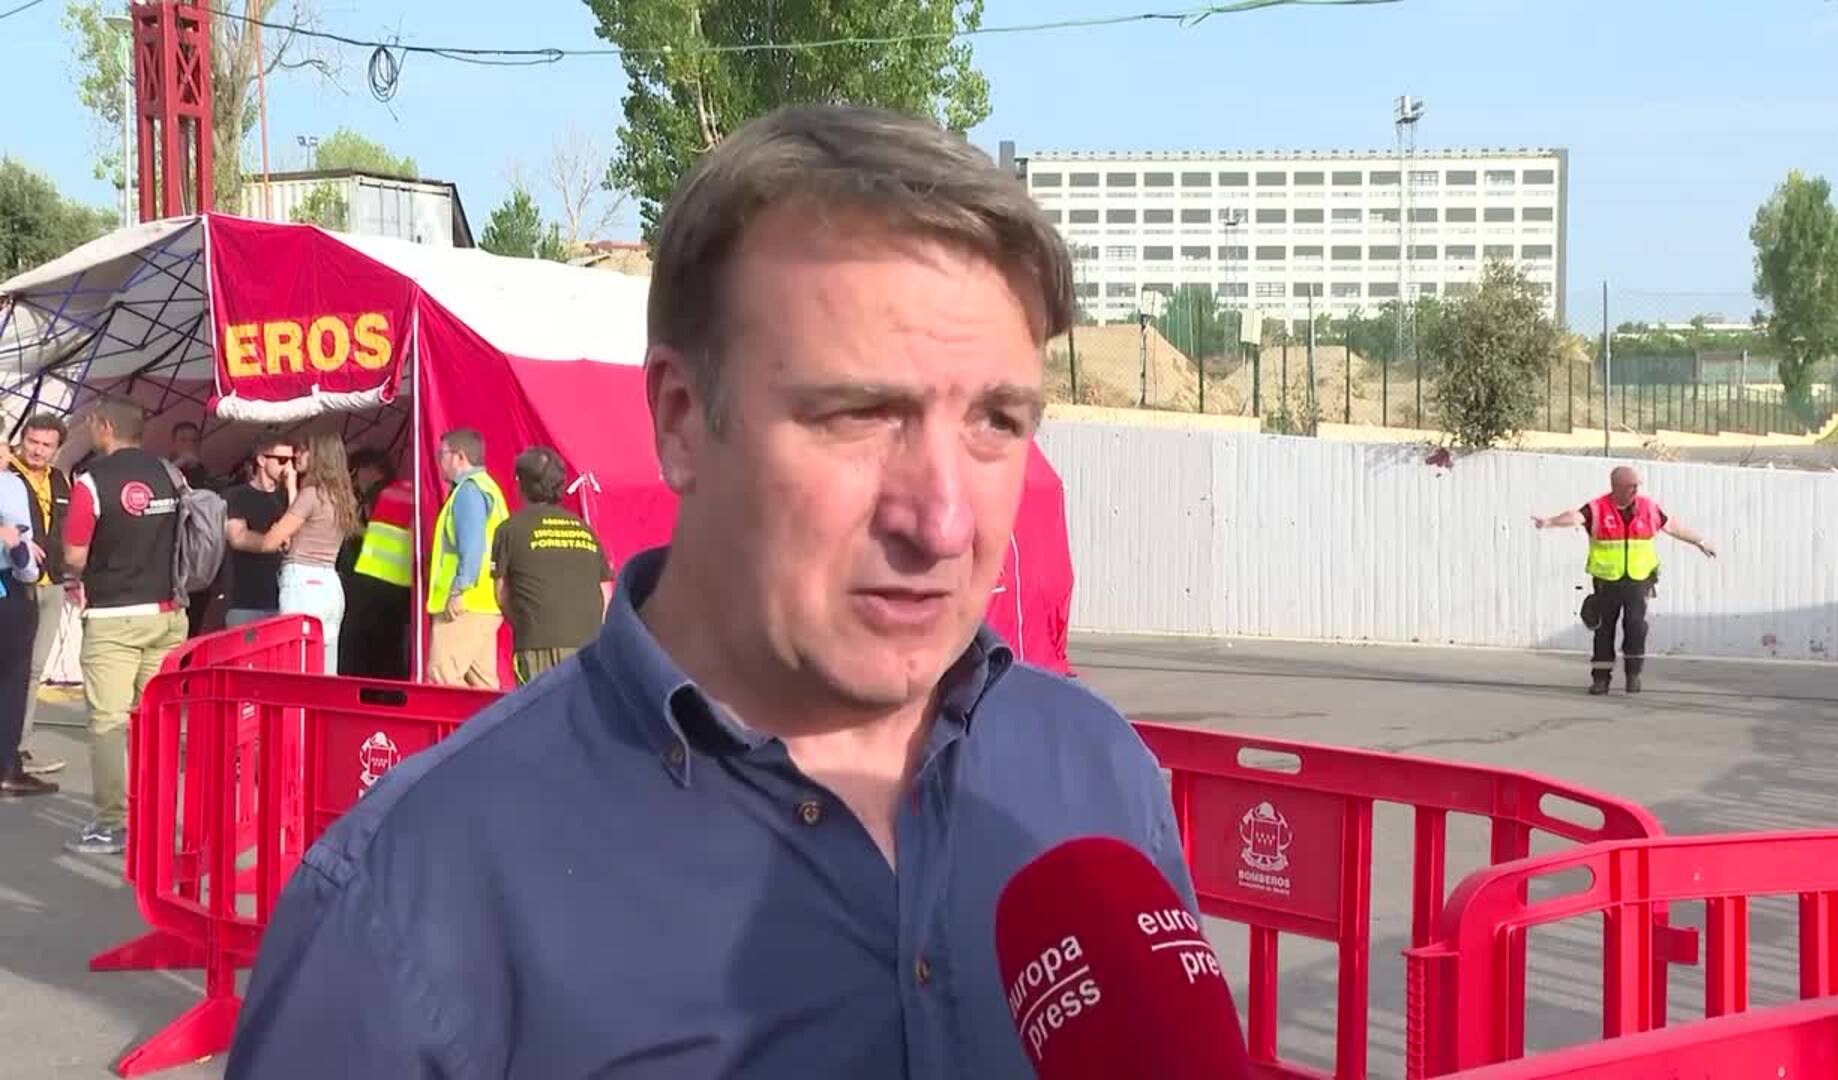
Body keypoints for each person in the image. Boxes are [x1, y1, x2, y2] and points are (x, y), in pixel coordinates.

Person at [229, 104, 1194, 1078]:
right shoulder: (411, 908)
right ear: (683, 420)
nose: (943, 521)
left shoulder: (1094, 774)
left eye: (998, 421)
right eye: (861, 413)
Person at [62, 395, 187, 855]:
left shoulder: (91, 482)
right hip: (167, 613)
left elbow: (75, 556)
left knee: (109, 724)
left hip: (114, 616)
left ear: (106, 427)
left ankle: (112, 823)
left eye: (92, 423)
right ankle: (157, 817)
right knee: (154, 721)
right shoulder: (171, 475)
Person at [1533, 464, 1717, 694]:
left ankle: (1633, 675)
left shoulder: (1648, 507)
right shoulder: (1598, 508)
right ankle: (1601, 679)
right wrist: (1549, 522)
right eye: (1631, 486)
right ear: (1616, 487)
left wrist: (1700, 542)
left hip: (1639, 580)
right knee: (1604, 630)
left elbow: (1672, 526)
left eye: (1637, 485)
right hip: (1606, 580)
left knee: (1635, 627)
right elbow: (1575, 517)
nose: (1636, 490)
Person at [233, 432, 358, 674]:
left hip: (303, 584)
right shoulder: (342, 496)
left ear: (318, 456)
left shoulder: (311, 494)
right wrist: (291, 487)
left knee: (297, 665)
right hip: (330, 584)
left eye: (303, 450)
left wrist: (251, 536)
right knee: (325, 667)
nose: (296, 455)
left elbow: (272, 542)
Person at [490, 446, 611, 684]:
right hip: (589, 646)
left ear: (519, 483)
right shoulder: (584, 529)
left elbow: (501, 593)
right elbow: (605, 592)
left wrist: (527, 625)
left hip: (537, 644)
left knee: (540, 706)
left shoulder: (509, 529)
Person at [10, 412, 73, 776]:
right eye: (32, 441)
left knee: (34, 669)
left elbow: (68, 530)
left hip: (53, 583)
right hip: (15, 582)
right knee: (10, 666)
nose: (37, 450)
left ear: (57, 448)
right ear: (23, 439)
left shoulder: (60, 479)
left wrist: (76, 575)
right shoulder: (7, 474)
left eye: (47, 445)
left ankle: (18, 746)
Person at [423, 428, 508, 689]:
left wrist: (459, 589)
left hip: (464, 604)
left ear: (459, 457)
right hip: (485, 602)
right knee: (482, 686)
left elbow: (472, 548)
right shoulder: (488, 488)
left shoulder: (468, 493)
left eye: (442, 454)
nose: (439, 461)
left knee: (442, 677)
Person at [0, 465, 53, 797]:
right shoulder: (9, 484)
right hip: (8, 591)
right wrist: (18, 545)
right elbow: (23, 561)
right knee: (11, 683)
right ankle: (7, 767)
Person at [338, 448, 412, 679]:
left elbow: (372, 529)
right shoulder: (407, 489)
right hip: (401, 581)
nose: (355, 479)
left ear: (370, 469)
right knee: (391, 646)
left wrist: (350, 526)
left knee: (362, 645)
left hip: (371, 579)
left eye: (356, 471)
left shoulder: (378, 493)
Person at [221, 432, 295, 627]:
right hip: (245, 600)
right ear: (262, 460)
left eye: (292, 461)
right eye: (282, 460)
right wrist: (273, 541)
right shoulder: (236, 495)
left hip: (283, 599)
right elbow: (238, 537)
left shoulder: (289, 497)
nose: (288, 467)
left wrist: (292, 490)